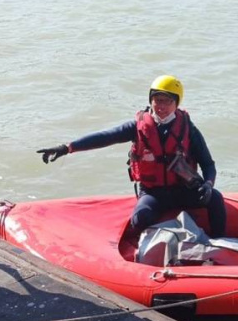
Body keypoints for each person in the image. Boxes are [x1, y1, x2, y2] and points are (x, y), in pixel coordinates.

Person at [37, 75, 227, 238]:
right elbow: (105, 136)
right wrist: (67, 148)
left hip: (183, 189)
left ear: (176, 103)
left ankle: (219, 243)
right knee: (140, 219)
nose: (161, 106)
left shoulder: (188, 129)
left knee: (216, 199)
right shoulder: (137, 127)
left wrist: (208, 185)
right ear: (150, 100)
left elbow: (208, 164)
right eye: (157, 100)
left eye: (167, 101)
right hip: (153, 193)